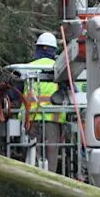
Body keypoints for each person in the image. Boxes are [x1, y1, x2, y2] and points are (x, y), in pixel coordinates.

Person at [21, 32, 65, 170]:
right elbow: (72, 92)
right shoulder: (60, 69)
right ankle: (51, 184)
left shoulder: (26, 68)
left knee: (33, 154)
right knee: (52, 156)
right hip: (53, 120)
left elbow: (14, 93)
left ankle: (34, 186)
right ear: (53, 50)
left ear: (38, 48)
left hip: (31, 120)